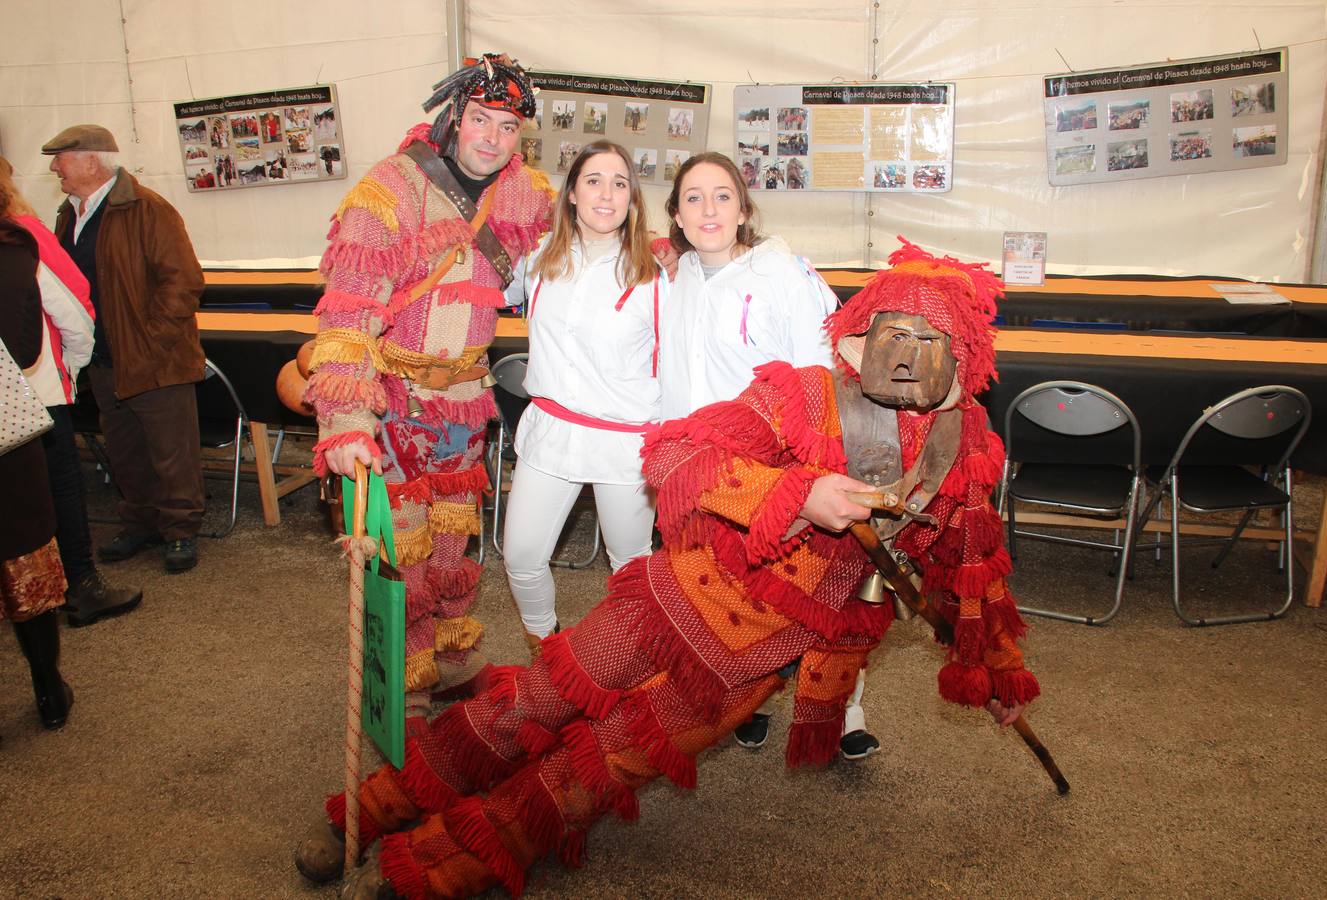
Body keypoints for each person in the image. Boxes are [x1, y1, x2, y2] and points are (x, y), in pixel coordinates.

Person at [313, 238, 1039, 900]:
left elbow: (971, 573)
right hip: (673, 604)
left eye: (930, 339)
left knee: (607, 763)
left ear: (963, 354)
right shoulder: (804, 394)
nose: (909, 355)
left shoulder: (966, 453)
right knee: (534, 700)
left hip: (757, 663)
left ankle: (446, 863)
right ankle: (375, 809)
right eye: (895, 334)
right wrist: (797, 494)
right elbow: (676, 455)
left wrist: (999, 676)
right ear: (864, 335)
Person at [302, 53, 553, 740]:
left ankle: (446, 665)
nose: (492, 139)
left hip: (465, 407)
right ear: (452, 118)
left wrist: (672, 247)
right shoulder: (388, 190)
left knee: (454, 543)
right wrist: (348, 420)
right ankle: (406, 682)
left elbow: (593, 236)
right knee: (403, 549)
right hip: (396, 403)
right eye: (480, 120)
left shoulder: (524, 193)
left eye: (508, 127)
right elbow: (349, 312)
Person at [658, 151, 878, 759]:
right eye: (694, 197)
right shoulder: (669, 281)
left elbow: (820, 369)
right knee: (724, 598)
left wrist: (821, 464)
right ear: (676, 215)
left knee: (811, 594)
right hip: (703, 472)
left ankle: (848, 711)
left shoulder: (777, 271)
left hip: (777, 466)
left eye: (723, 195)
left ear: (744, 208)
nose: (709, 209)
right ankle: (743, 698)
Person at [500, 141, 662, 656]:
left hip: (625, 443)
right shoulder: (538, 260)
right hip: (552, 430)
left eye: (620, 183)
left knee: (631, 569)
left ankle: (629, 666)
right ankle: (547, 654)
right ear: (571, 193)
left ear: (633, 200)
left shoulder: (658, 278)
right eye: (594, 180)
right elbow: (476, 284)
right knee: (521, 555)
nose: (607, 193)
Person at [43, 124, 207, 573]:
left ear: (92, 161)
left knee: (172, 450)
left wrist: (151, 340)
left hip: (156, 358)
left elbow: (183, 281)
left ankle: (180, 531)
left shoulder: (148, 209)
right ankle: (140, 523)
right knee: (125, 449)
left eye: (62, 158)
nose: (55, 167)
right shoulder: (67, 214)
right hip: (101, 359)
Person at [0, 157, 142, 627]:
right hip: (34, 387)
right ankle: (80, 585)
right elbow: (72, 303)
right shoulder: (22, 234)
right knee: (56, 488)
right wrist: (72, 368)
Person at [0, 214, 73, 731]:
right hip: (3, 439)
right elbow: (23, 347)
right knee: (22, 561)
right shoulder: (9, 251)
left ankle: (50, 687)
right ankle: (48, 688)